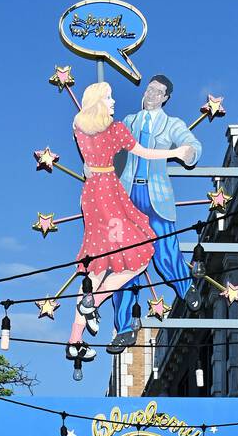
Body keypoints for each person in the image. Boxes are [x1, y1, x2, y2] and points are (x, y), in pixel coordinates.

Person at [67, 81, 195, 362]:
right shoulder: (117, 129)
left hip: (92, 195)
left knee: (96, 266)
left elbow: (88, 163)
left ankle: (74, 340)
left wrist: (187, 151)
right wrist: (174, 153)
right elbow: (144, 153)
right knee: (141, 252)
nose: (114, 103)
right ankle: (96, 303)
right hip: (112, 194)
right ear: (99, 101)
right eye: (110, 98)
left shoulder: (79, 127)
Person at [109, 75, 203, 353]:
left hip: (157, 197)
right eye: (149, 89)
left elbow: (192, 146)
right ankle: (124, 328)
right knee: (126, 264)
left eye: (157, 91)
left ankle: (186, 289)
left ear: (165, 98)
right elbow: (109, 150)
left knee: (166, 251)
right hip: (127, 198)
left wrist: (187, 153)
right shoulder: (128, 122)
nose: (151, 94)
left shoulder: (171, 125)